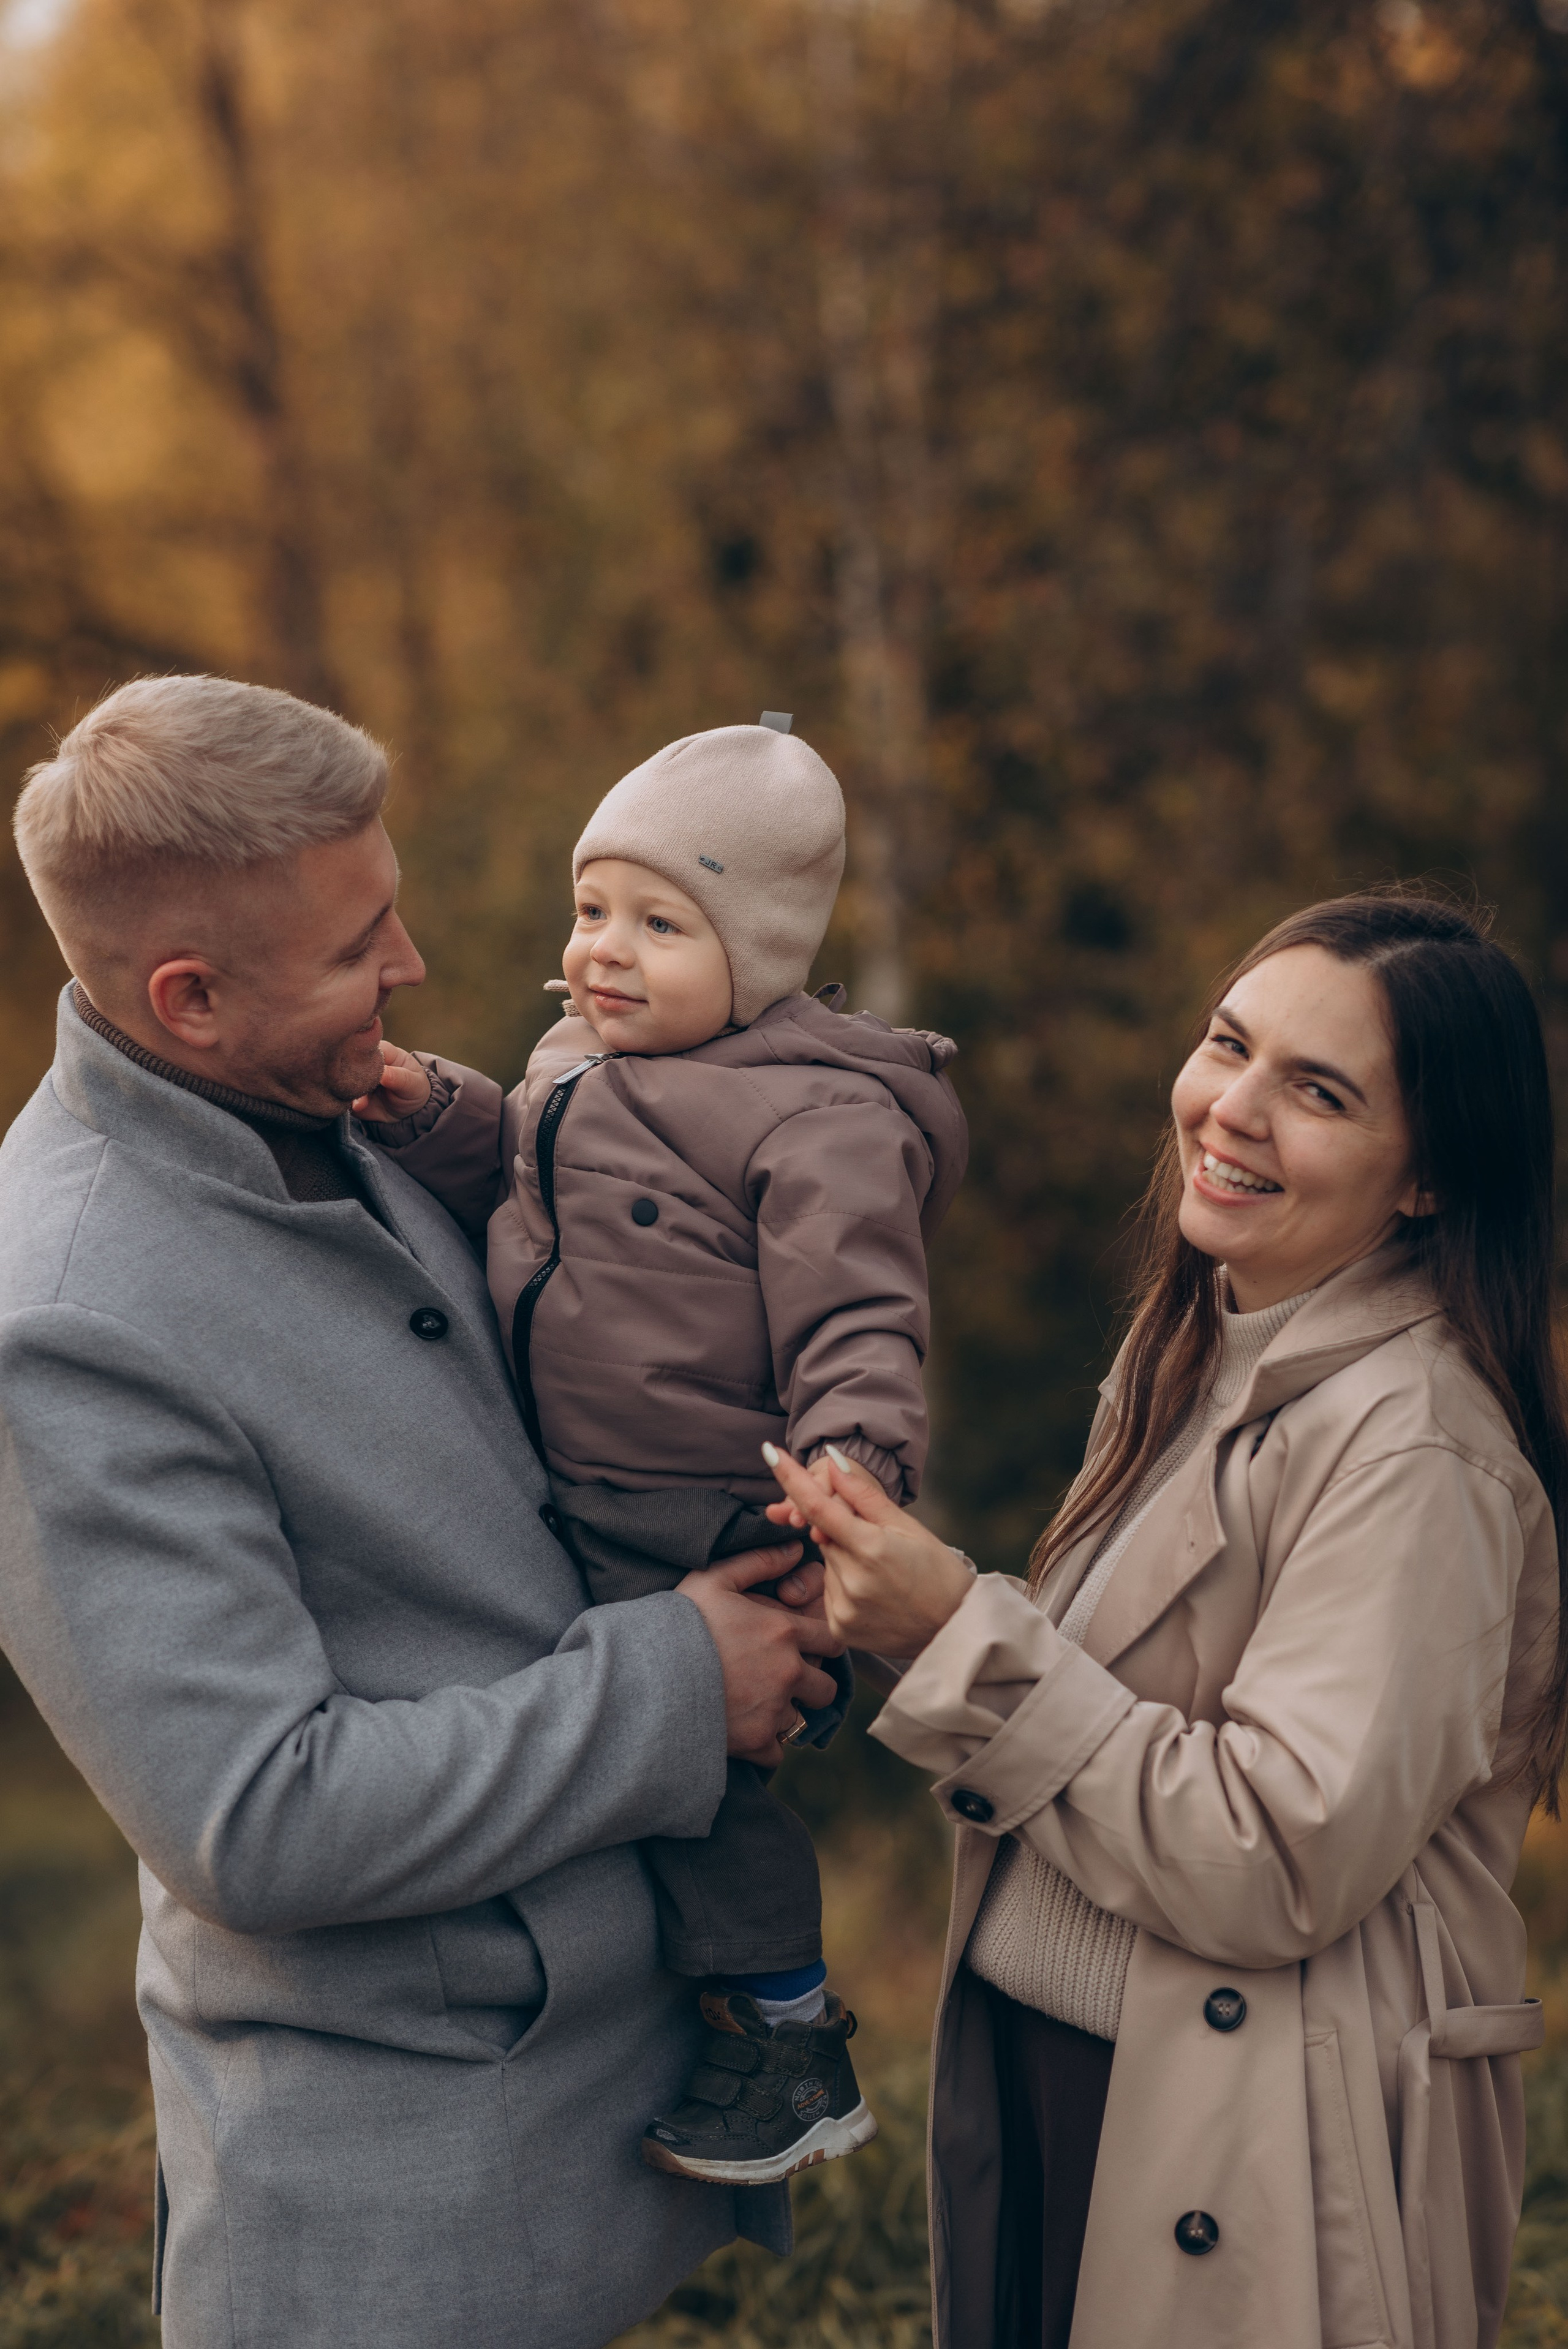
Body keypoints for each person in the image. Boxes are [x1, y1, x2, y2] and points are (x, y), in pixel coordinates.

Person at [0, 674, 843, 2349]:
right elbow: (263, 1818)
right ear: (191, 998)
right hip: (402, 2206)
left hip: (617, 2106)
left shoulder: (353, 1106)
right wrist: (687, 1679)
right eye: (354, 947)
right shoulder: (61, 1318)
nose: (412, 970)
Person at [764, 892, 1564, 2349]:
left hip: (1244, 2129)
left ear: (1427, 1179)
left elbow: (1272, 1852)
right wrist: (894, 1611)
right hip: (1065, 2070)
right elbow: (1111, 1702)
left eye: (1315, 1092)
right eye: (1227, 1044)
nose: (1231, 1108)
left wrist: (957, 1632)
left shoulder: (1414, 1450)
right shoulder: (1194, 1343)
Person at [353, 716, 968, 2185]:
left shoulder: (818, 1117)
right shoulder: (577, 1057)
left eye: (658, 921)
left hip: (707, 1507)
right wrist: (433, 1110)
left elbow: (860, 1310)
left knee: (694, 1773)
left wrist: (853, 1469)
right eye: (590, 911)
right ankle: (671, 2016)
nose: (602, 952)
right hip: (579, 1487)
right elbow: (524, 1165)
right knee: (600, 1742)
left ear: (753, 954)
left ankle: (790, 2038)